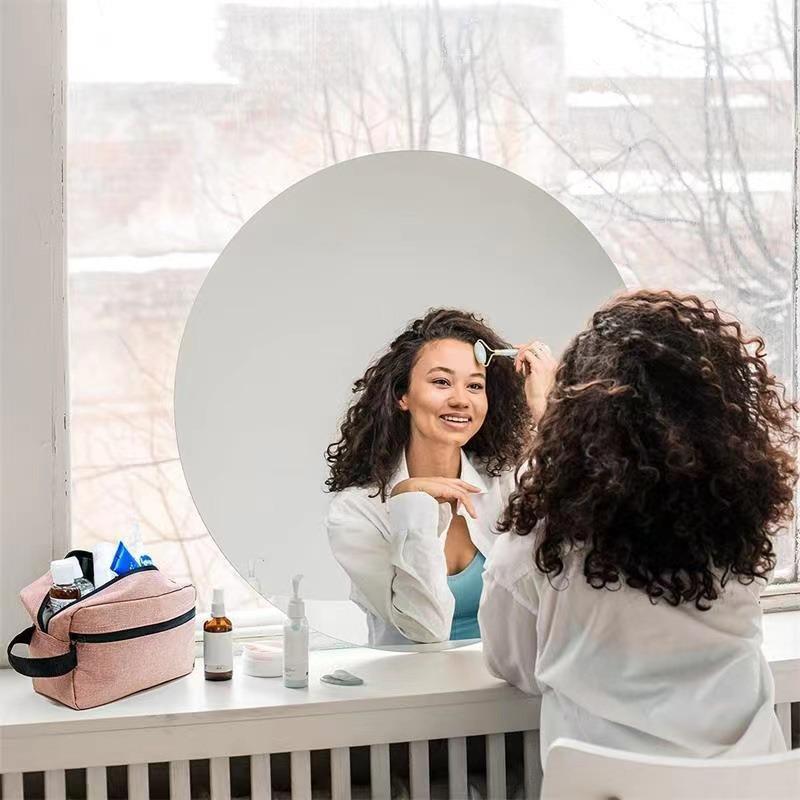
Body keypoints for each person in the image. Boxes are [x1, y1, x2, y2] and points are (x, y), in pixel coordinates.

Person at [479, 290, 796, 758]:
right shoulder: (742, 522)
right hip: (751, 781)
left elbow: (514, 665)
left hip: (606, 790)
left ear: (579, 411)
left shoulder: (543, 535)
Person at [325, 308, 550, 645]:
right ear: (403, 396)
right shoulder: (356, 512)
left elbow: (586, 534)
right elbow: (425, 630)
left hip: (510, 689)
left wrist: (542, 407)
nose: (461, 400)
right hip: (414, 695)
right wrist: (412, 504)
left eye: (475, 386)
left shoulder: (506, 482)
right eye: (441, 382)